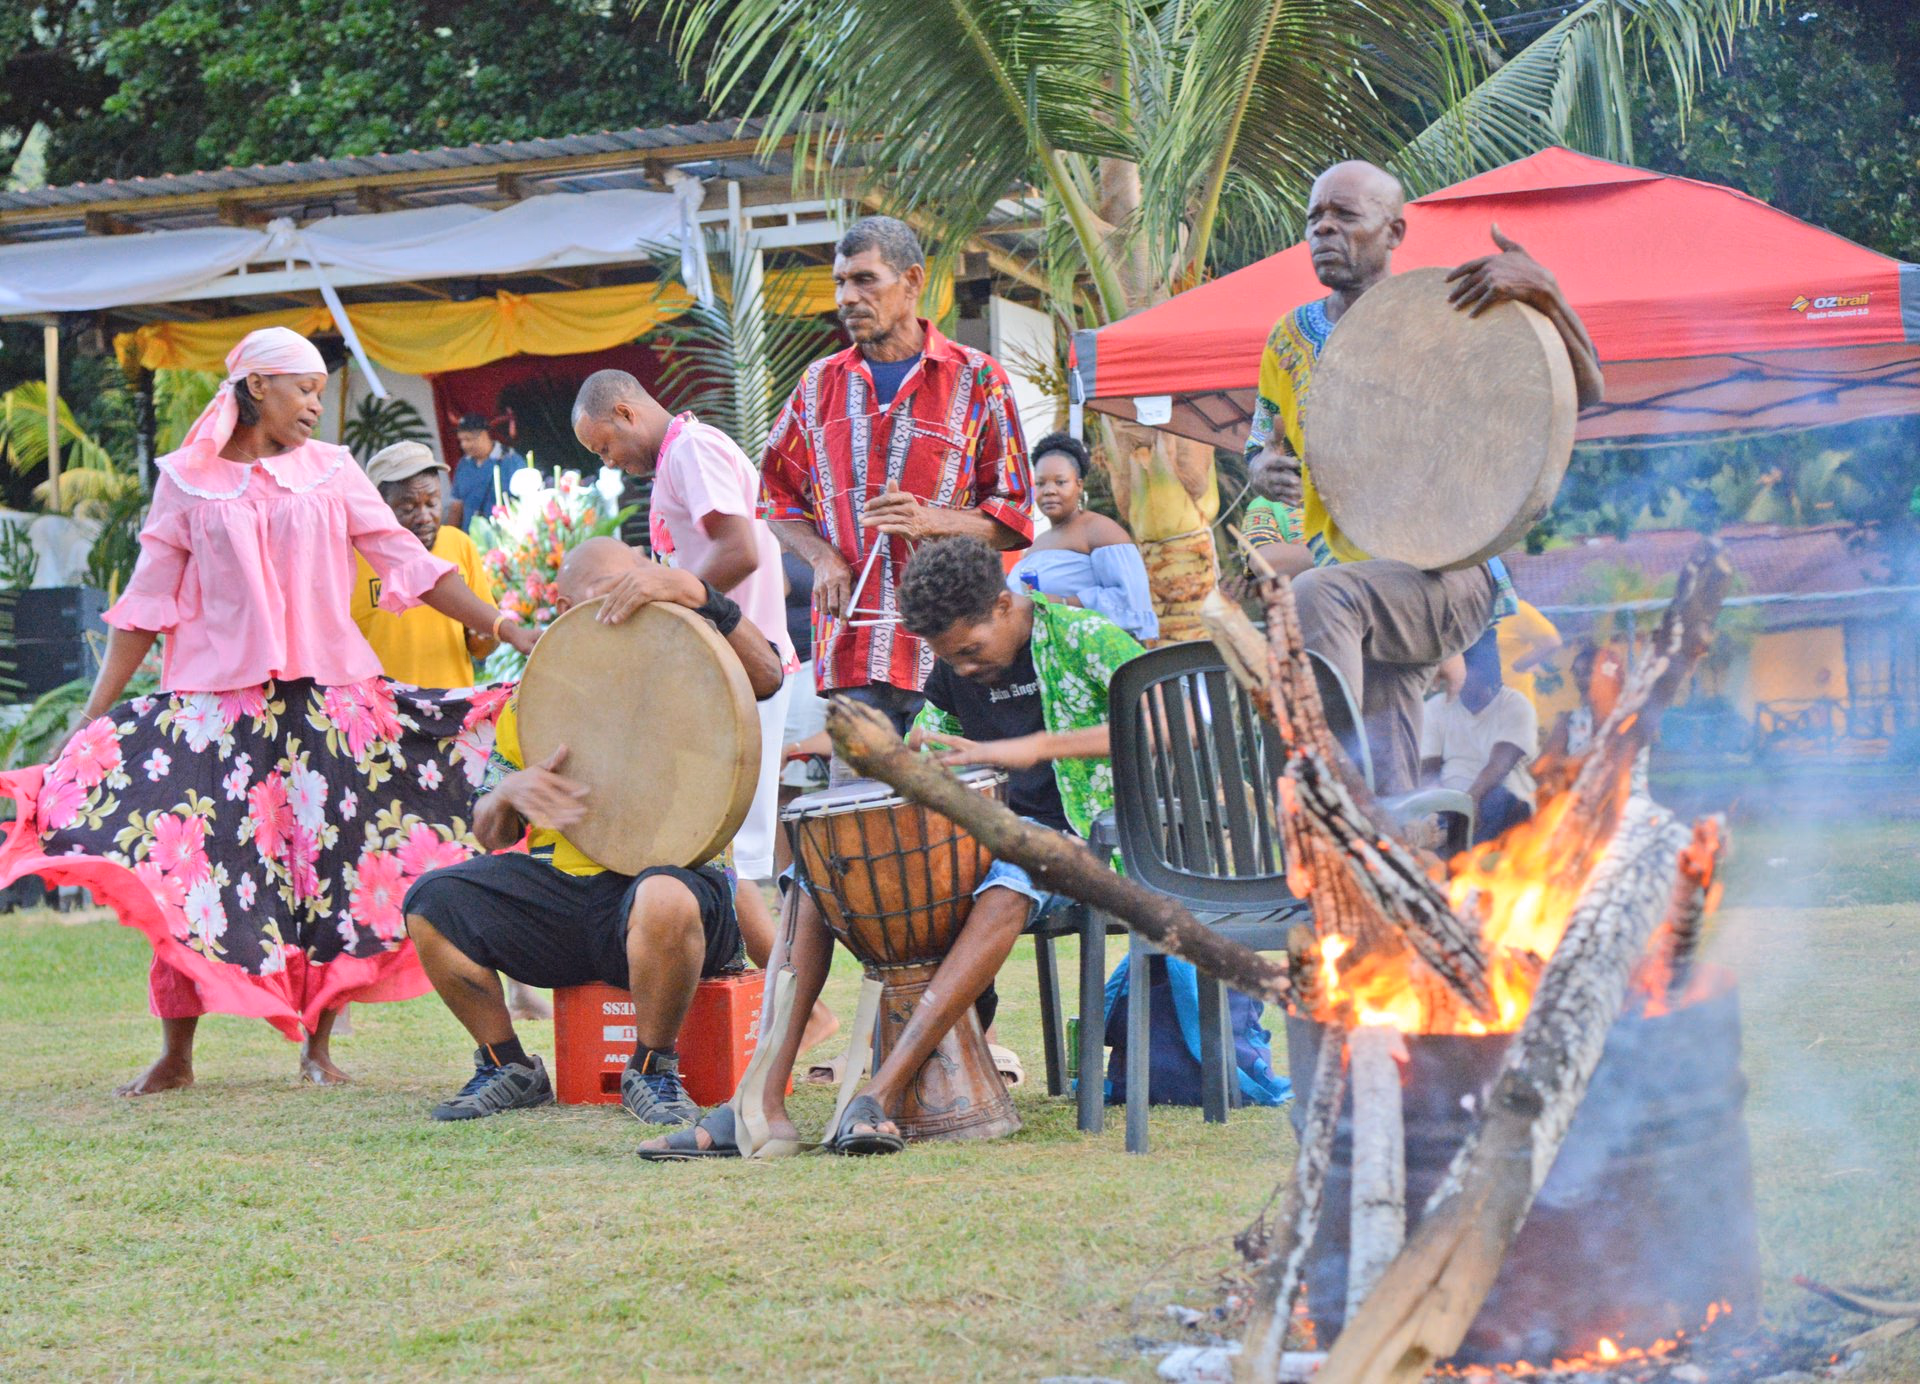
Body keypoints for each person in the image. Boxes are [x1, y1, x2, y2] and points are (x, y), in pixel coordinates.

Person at [0, 327, 538, 1095]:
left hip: (328, 705)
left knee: (327, 873)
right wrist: (94, 715)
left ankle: (317, 1049)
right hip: (216, 712)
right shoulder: (187, 481)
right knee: (190, 874)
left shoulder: (334, 472)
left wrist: (506, 626)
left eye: (321, 390)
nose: (316, 405)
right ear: (256, 387)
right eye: (303, 389)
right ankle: (176, 1055)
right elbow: (144, 608)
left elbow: (410, 566)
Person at [639, 536, 1142, 1159]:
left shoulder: (1085, 638)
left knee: (1014, 870)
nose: (961, 668)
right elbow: (929, 752)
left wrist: (1033, 748)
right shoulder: (955, 671)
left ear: (1006, 606)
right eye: (945, 657)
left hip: (1088, 842)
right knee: (819, 873)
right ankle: (760, 1102)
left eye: (969, 650)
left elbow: (1172, 724)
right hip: (984, 838)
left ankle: (878, 1093)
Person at [1243, 160, 1604, 796]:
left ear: (1394, 232)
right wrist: (1262, 469)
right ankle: (1393, 864)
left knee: (1317, 597)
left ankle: (1323, 793)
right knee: (1395, 787)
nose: (1324, 228)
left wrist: (1546, 292)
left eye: (1345, 216)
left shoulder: (1449, 313)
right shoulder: (1289, 339)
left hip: (1446, 575)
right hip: (1359, 592)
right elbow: (1259, 445)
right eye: (1314, 217)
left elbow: (1588, 391)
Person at [402, 538, 784, 1125]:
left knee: (663, 892)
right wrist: (508, 792)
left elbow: (767, 676)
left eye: (643, 590)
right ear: (564, 606)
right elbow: (490, 834)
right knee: (433, 902)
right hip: (569, 904)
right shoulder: (533, 698)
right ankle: (509, 1066)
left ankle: (652, 1068)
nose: (634, 604)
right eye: (613, 594)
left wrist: (700, 594)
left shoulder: (685, 662)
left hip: (679, 901)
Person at [759, 214, 1034, 755]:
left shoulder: (979, 379)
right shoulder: (817, 385)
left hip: (959, 650)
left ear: (911, 282)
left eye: (865, 280)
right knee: (863, 816)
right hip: (854, 647)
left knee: (960, 810)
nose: (847, 297)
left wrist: (932, 521)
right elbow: (775, 498)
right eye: (840, 282)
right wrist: (821, 559)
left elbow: (1015, 516)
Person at [568, 371, 797, 988]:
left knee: (736, 859)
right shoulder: (679, 458)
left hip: (749, 667)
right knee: (719, 850)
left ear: (624, 411)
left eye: (604, 446)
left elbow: (741, 549)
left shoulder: (692, 450)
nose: (610, 461)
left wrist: (672, 593)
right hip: (719, 673)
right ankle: (786, 1001)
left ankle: (796, 1007)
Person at [351, 441, 500, 688]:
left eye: (432, 503)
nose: (424, 517)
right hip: (381, 713)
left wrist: (485, 633)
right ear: (379, 507)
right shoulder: (353, 558)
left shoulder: (458, 545)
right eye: (409, 508)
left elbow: (482, 647)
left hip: (451, 709)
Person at [1008, 432, 1159, 643]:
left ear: (1079, 485)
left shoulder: (1099, 530)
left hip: (1093, 654)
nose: (1049, 491)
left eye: (1060, 482)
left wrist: (1062, 602)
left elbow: (1130, 600)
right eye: (1041, 484)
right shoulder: (1036, 544)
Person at [1420, 631, 1538, 844]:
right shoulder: (1436, 708)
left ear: (1489, 679)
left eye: (1470, 683)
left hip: (1500, 799)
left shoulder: (1515, 705)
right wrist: (1434, 807)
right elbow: (1428, 769)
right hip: (1450, 802)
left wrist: (1470, 800)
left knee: (1497, 803)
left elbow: (1500, 764)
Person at [445, 413, 527, 533]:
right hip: (470, 541)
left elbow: (525, 503)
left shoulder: (511, 460)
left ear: (483, 435)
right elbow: (457, 506)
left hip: (504, 539)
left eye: (468, 439)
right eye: (461, 440)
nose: (463, 445)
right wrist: (449, 536)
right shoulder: (463, 464)